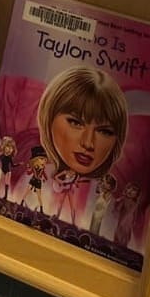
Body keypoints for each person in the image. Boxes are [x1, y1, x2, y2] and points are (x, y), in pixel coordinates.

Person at [36, 65, 128, 231]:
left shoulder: (109, 205)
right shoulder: (31, 177)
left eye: (104, 131)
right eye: (76, 122)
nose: (88, 143)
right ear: (49, 117)